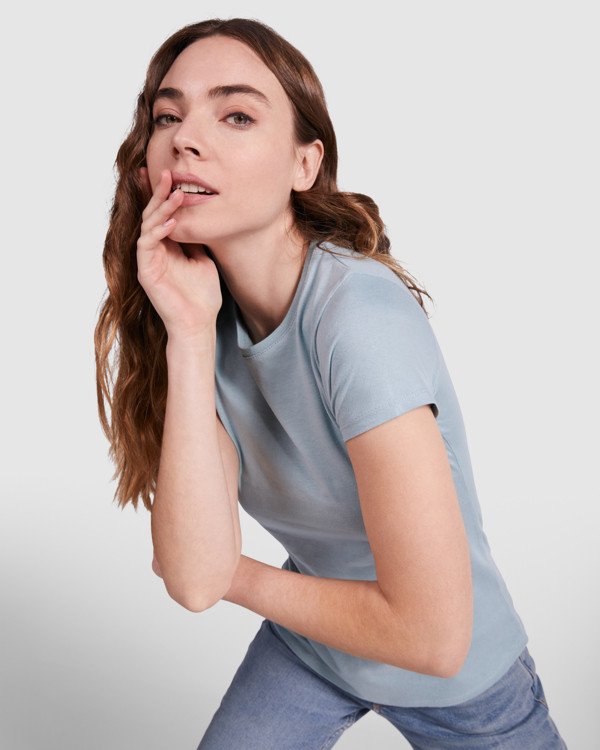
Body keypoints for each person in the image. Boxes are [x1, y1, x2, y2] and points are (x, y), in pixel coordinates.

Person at [94, 17, 568, 750]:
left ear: (304, 163)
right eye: (167, 116)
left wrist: (236, 576)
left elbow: (433, 637)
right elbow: (190, 581)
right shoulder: (193, 312)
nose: (186, 138)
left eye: (236, 115)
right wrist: (188, 334)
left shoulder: (359, 317)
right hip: (317, 643)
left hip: (457, 678)